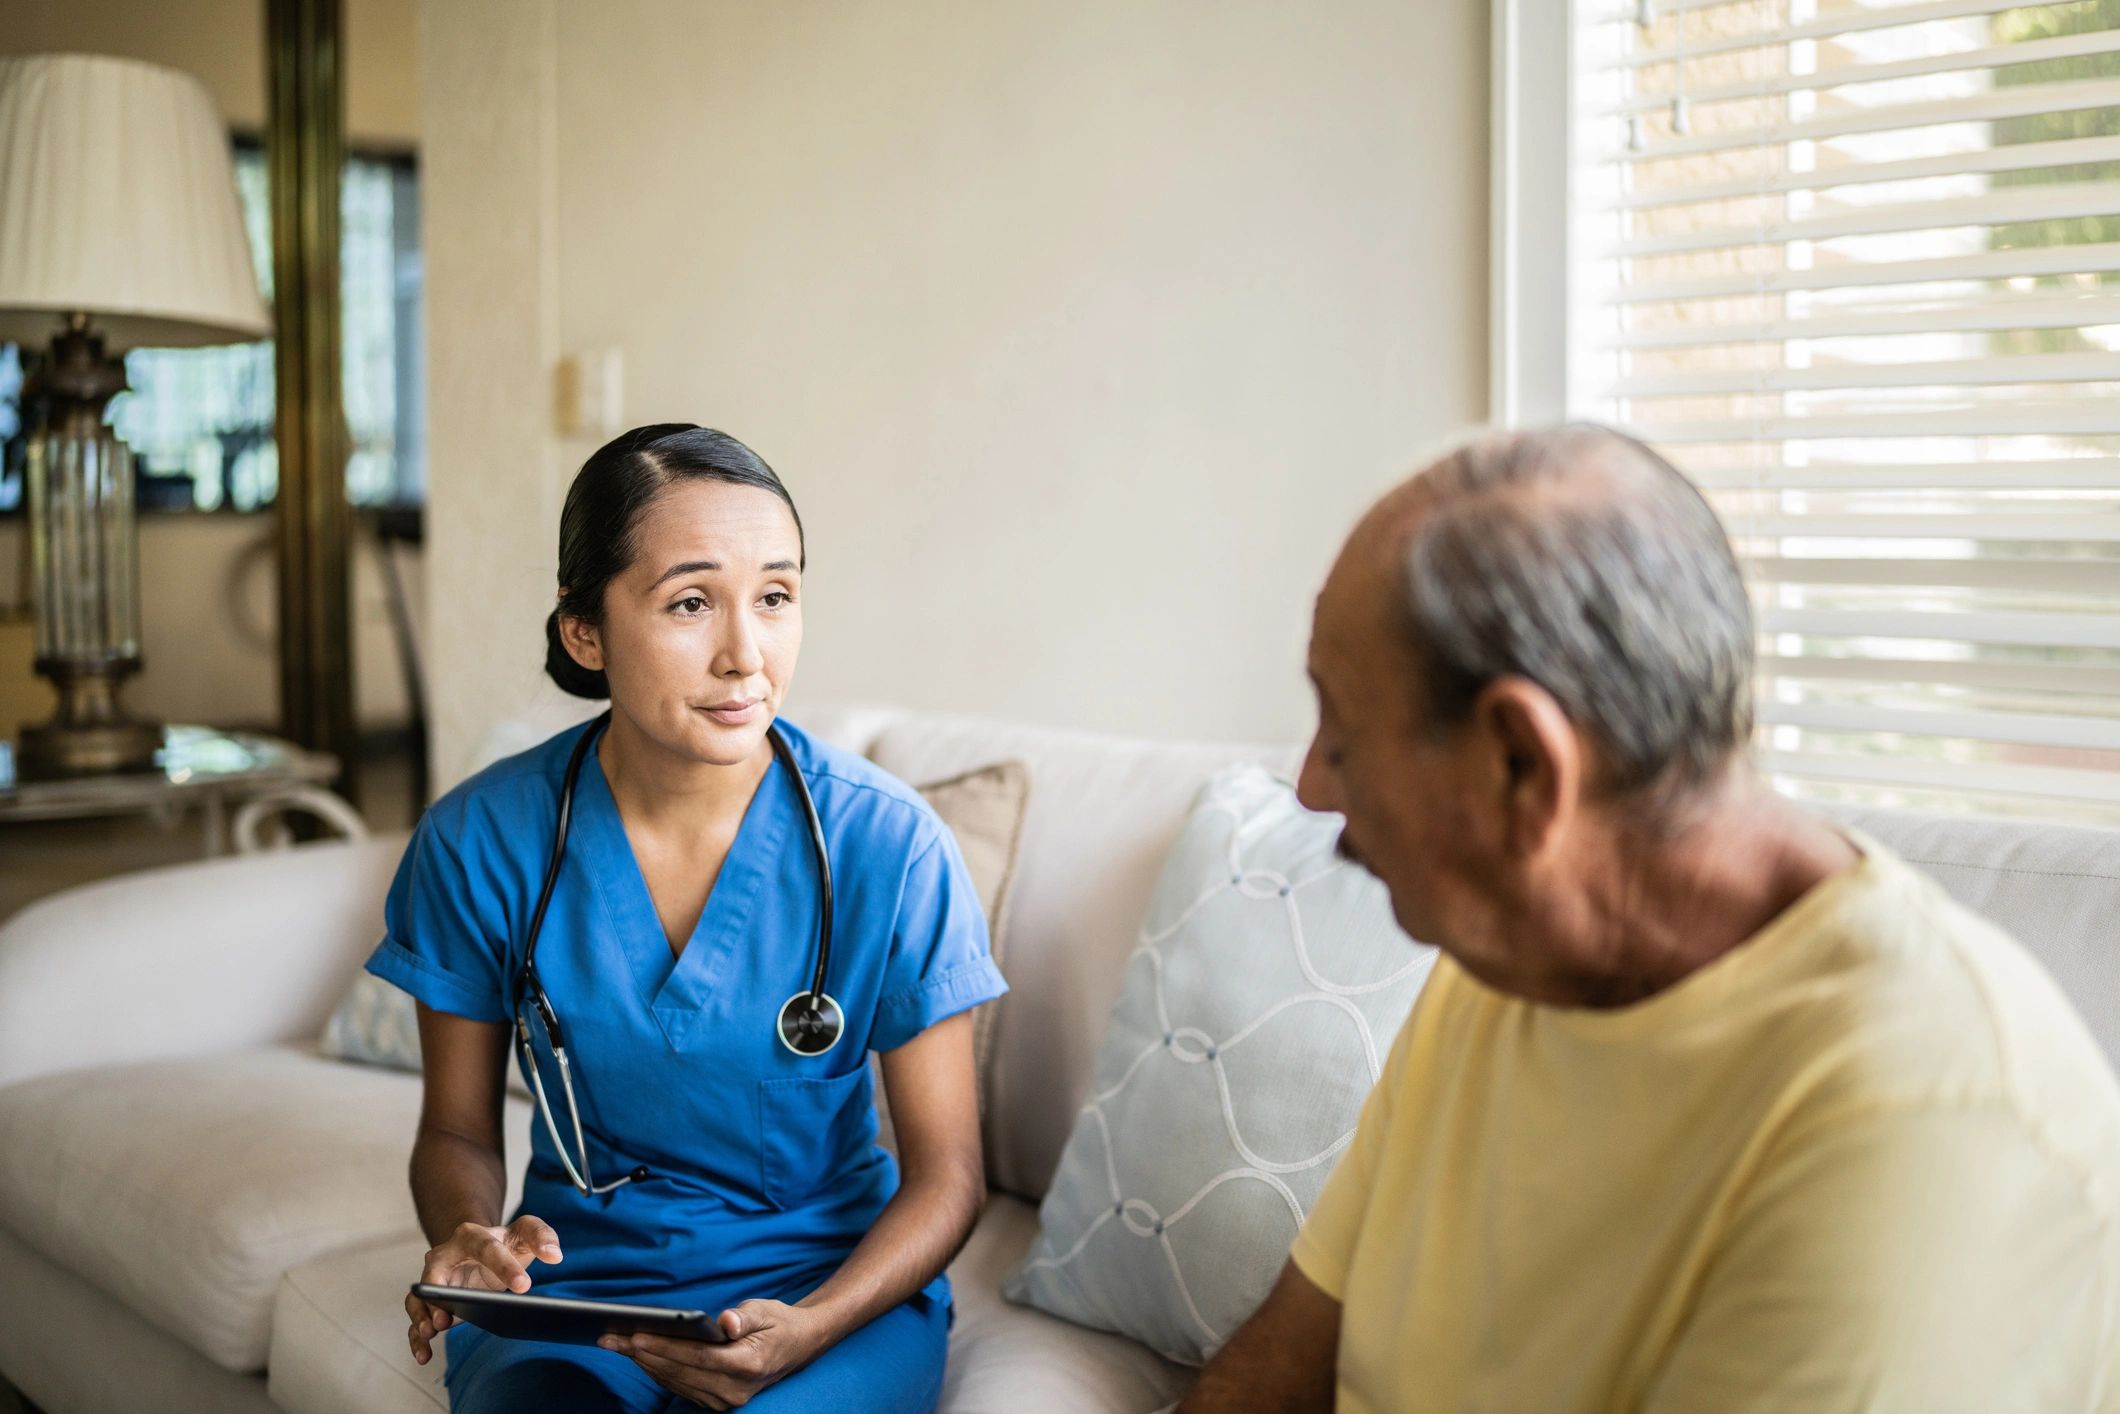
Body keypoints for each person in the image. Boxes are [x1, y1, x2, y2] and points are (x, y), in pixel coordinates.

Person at [1182, 424, 2120, 1412]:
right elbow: (1279, 1366)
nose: (1310, 785)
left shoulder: (1920, 1116)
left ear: (1521, 768)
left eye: (1343, 732)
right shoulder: (1496, 962)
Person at [370, 424, 1006, 1412]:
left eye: (775, 597)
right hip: (576, 1295)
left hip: (828, 1295)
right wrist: (469, 1235)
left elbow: (948, 1176)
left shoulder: (889, 848)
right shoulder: (480, 840)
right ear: (586, 632)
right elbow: (454, 1130)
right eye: (690, 602)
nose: (744, 655)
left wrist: (813, 1327)